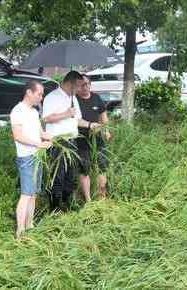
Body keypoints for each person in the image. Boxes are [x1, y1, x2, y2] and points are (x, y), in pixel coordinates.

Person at [42, 71, 99, 211]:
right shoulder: (52, 97)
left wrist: (91, 125)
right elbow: (46, 118)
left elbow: (77, 119)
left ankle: (66, 207)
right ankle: (54, 210)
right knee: (58, 177)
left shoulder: (72, 98)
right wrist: (66, 113)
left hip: (72, 141)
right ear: (71, 83)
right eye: (79, 85)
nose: (80, 89)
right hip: (58, 143)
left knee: (71, 178)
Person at [10, 80, 52, 238]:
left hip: (37, 155)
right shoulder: (17, 111)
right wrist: (38, 144)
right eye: (39, 94)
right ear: (29, 92)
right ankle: (20, 232)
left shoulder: (34, 112)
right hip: (26, 157)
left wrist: (49, 137)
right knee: (26, 194)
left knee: (33, 193)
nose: (41, 97)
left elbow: (41, 132)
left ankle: (30, 225)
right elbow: (18, 136)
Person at [76, 74, 111, 202]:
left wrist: (106, 130)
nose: (85, 87)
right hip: (82, 141)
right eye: (81, 85)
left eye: (87, 84)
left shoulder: (97, 98)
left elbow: (103, 116)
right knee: (84, 170)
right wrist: (90, 125)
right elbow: (75, 120)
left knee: (102, 167)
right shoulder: (74, 100)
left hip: (98, 140)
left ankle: (102, 197)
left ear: (90, 84)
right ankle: (88, 200)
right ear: (77, 86)